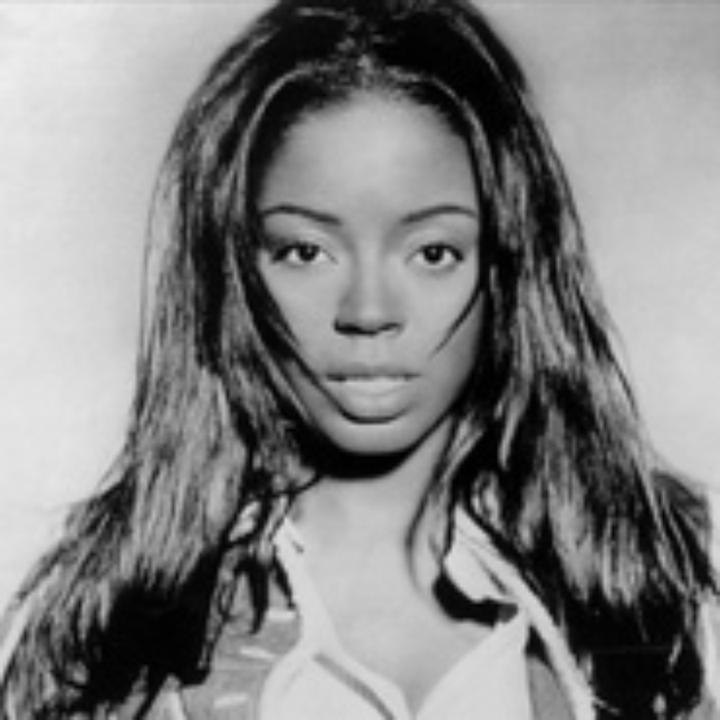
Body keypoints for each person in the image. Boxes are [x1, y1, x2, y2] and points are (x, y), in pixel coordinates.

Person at [1, 0, 718, 718]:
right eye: (305, 252)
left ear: (509, 262)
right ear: (233, 271)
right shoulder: (100, 632)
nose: (369, 311)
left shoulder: (663, 603)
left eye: (432, 252)